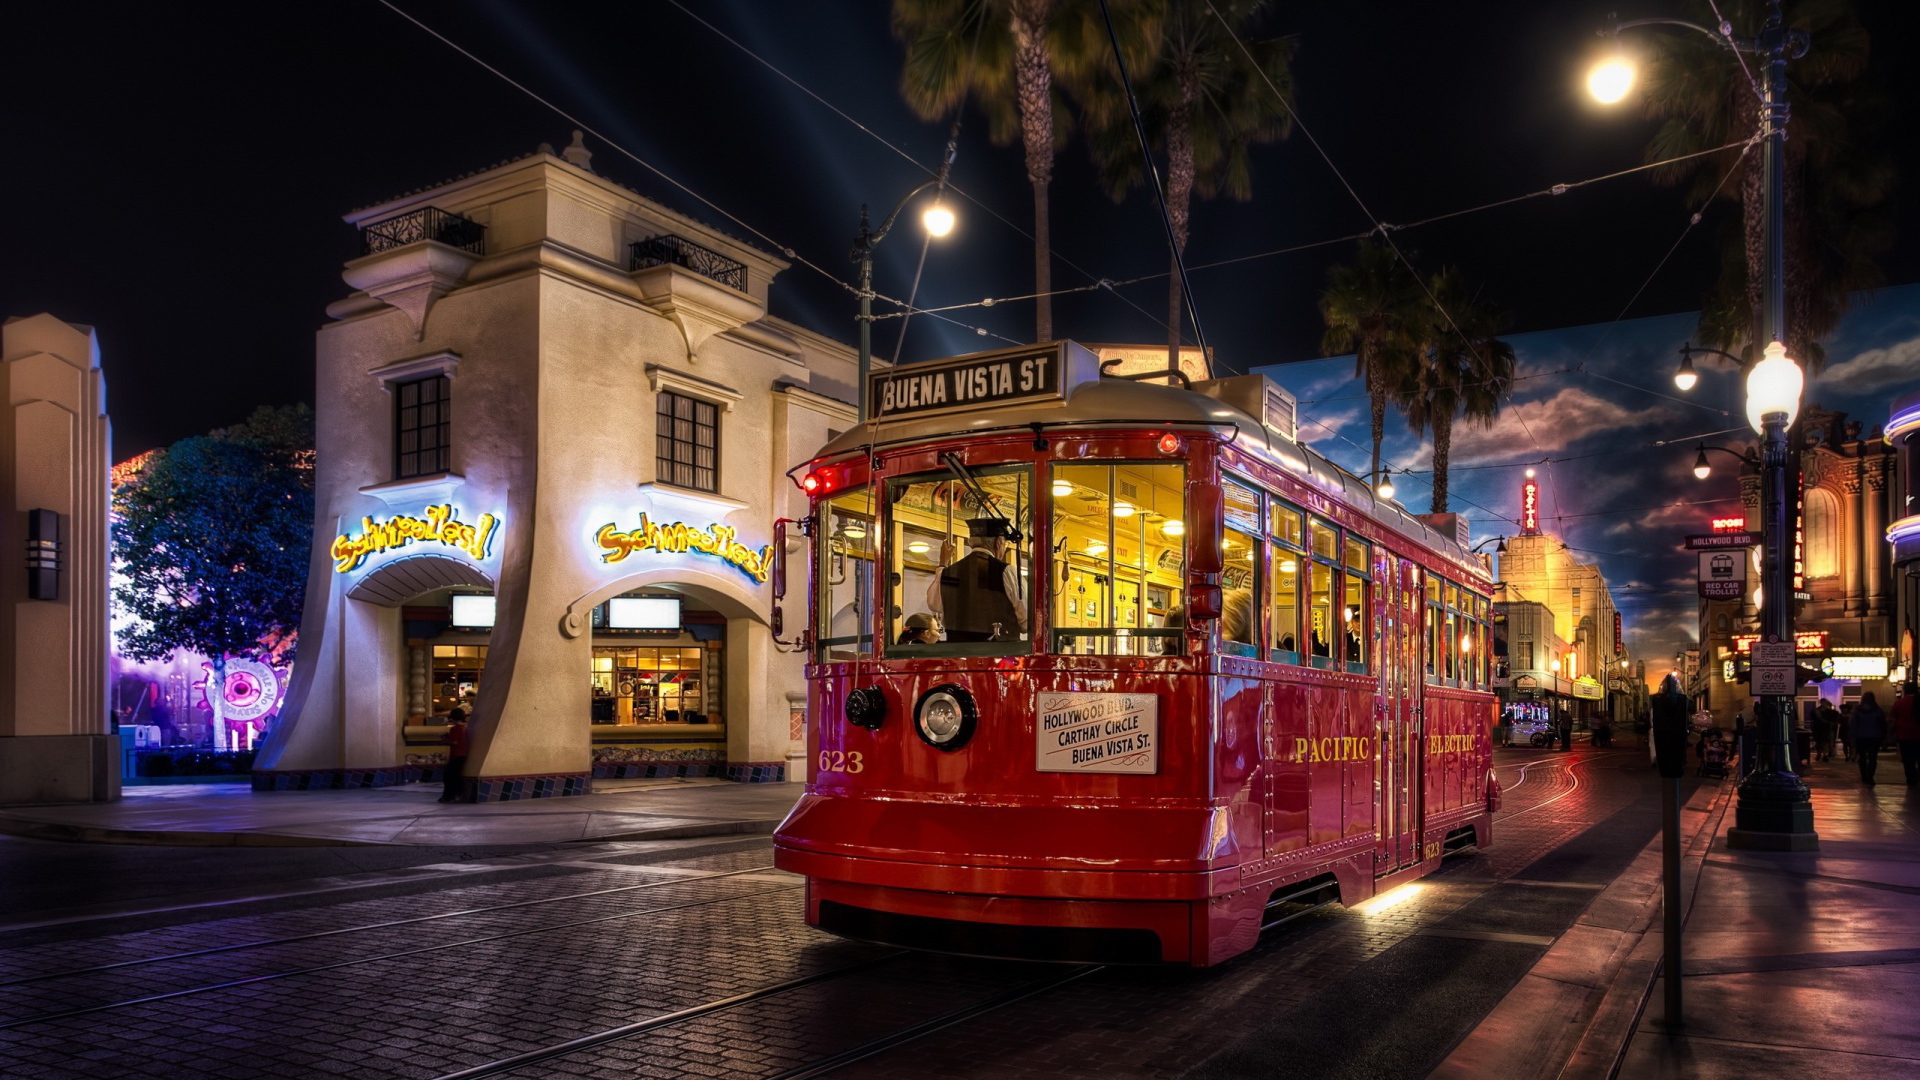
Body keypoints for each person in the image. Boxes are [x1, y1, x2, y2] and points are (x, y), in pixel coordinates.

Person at [927, 518, 1026, 643]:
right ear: (998, 543)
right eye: (1005, 545)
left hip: (959, 654)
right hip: (999, 654)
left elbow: (934, 604)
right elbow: (1027, 620)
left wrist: (942, 565)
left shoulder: (949, 572)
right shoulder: (1007, 572)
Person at [1852, 691, 1888, 787]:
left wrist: (1853, 736)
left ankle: (1864, 776)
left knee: (1862, 757)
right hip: (1875, 736)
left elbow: (1854, 724)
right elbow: (1883, 725)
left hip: (1861, 736)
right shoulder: (1878, 710)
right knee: (1873, 757)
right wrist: (1884, 737)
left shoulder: (1858, 710)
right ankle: (1870, 777)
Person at [1890, 682, 1919, 787]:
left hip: (1904, 735)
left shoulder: (1899, 703)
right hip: (1918, 734)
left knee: (1908, 760)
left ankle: (1911, 780)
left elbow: (1892, 719)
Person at [440, 707, 470, 803]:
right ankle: (455, 795)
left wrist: (444, 740)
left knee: (448, 777)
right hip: (462, 755)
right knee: (456, 776)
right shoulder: (464, 728)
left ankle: (449, 796)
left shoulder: (455, 729)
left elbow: (454, 742)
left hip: (456, 755)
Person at [1812, 699, 1838, 763]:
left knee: (1825, 742)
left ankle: (1824, 755)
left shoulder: (1829, 711)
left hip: (1826, 728)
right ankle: (1819, 753)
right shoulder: (1816, 711)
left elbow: (1835, 716)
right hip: (1818, 728)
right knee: (1819, 742)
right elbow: (1813, 718)